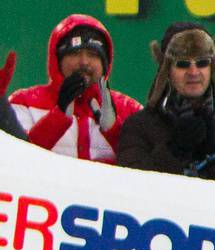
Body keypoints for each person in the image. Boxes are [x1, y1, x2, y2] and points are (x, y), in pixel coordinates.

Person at [115, 21, 215, 184]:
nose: (193, 72)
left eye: (202, 63)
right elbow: (129, 185)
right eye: (182, 64)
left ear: (213, 68)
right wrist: (174, 151)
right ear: (166, 70)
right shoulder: (139, 126)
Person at [6, 14, 142, 162]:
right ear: (57, 59)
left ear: (105, 64)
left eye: (93, 54)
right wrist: (58, 117)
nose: (84, 62)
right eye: (75, 53)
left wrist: (113, 130)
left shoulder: (130, 109)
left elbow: (144, 168)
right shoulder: (23, 103)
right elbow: (16, 160)